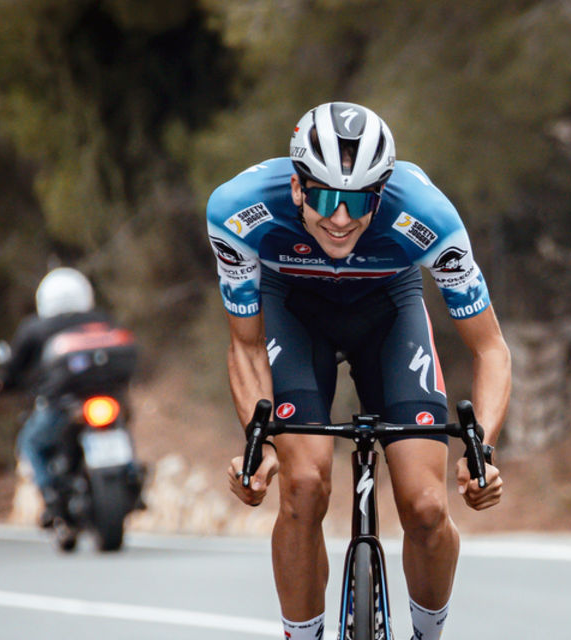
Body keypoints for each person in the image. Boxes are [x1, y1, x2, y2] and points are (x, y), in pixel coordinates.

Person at [206, 102, 511, 640]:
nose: (341, 219)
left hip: (387, 312)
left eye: (359, 202)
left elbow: (491, 349)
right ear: (298, 187)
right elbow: (247, 346)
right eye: (324, 198)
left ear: (381, 192)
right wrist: (263, 448)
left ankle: (426, 634)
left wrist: (481, 452)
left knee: (425, 506)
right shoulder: (237, 210)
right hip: (294, 309)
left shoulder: (428, 215)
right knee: (302, 485)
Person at [0, 266, 136, 526]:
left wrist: (1, 382)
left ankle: (51, 496)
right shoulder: (102, 320)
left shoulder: (34, 328)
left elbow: (12, 368)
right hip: (111, 399)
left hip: (61, 405)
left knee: (30, 443)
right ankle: (131, 471)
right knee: (122, 426)